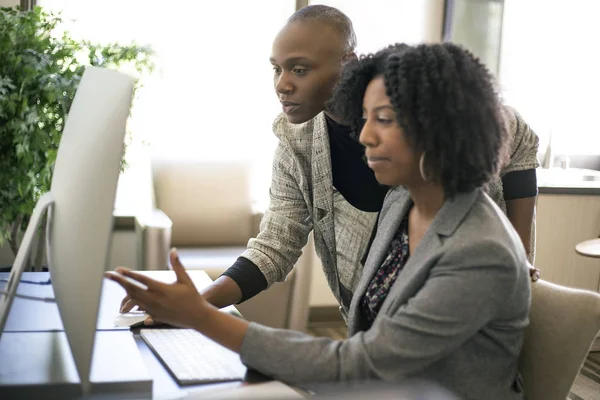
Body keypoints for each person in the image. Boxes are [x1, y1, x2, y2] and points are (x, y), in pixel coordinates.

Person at [108, 43, 531, 400]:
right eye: (364, 118)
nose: (365, 135)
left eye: (382, 119)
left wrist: (200, 316)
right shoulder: (403, 204)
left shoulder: (480, 249)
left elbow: (365, 362)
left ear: (439, 128)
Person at [120, 5, 539, 321]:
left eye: (299, 69)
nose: (282, 84)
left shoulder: (414, 114)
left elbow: (518, 134)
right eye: (277, 69)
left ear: (348, 64)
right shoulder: (296, 139)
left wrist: (518, 253)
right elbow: (276, 243)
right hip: (370, 328)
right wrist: (198, 302)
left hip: (455, 315)